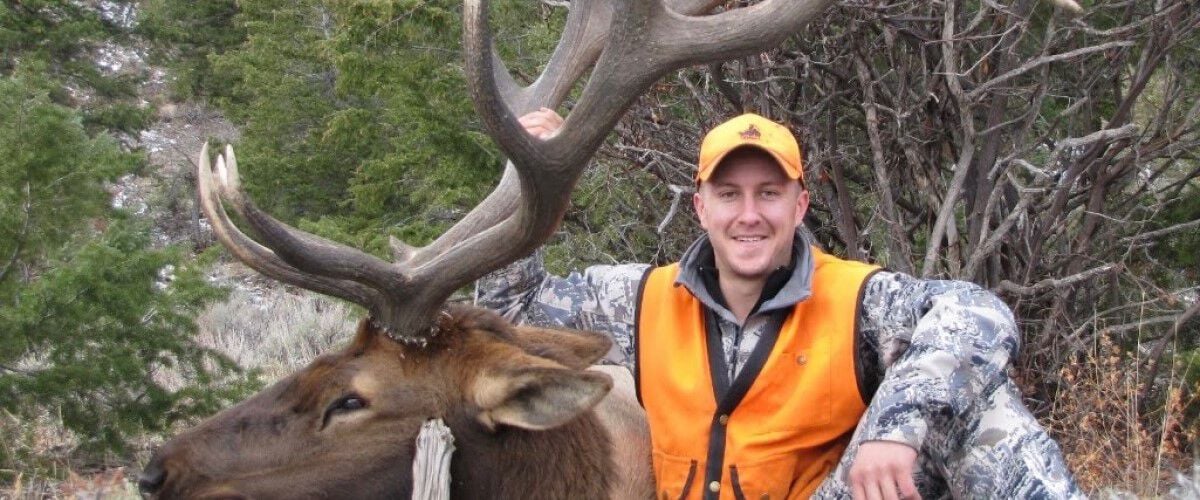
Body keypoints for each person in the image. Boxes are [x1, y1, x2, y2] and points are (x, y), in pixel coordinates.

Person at [476, 109, 1083, 499]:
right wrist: (526, 181)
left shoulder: (855, 299)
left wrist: (894, 431)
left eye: (769, 193)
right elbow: (513, 311)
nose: (749, 215)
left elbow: (977, 313)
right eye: (729, 194)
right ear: (700, 208)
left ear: (799, 206)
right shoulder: (640, 300)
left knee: (976, 404)